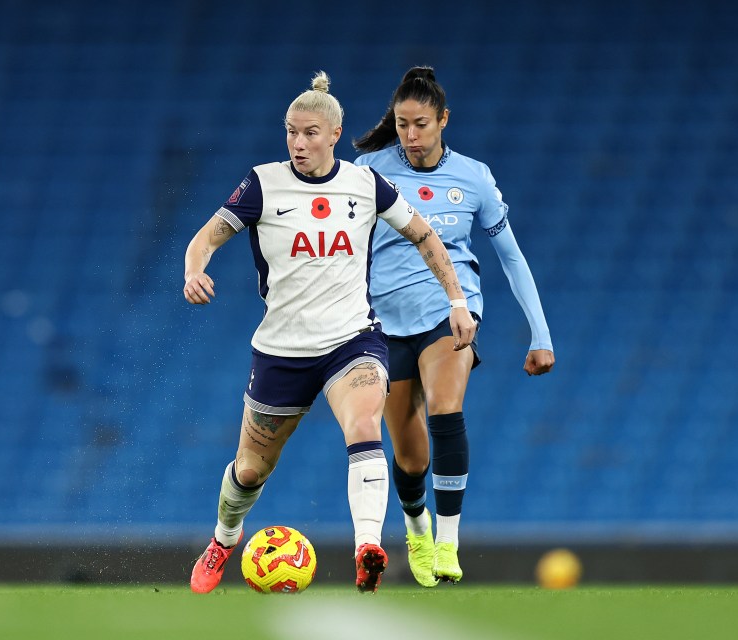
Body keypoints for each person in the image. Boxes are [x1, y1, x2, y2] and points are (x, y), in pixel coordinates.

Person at [184, 71, 477, 594]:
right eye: (291, 132)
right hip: (282, 350)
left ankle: (368, 546)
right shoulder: (262, 183)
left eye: (310, 133)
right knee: (251, 469)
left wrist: (456, 299)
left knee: (365, 424)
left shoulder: (364, 185)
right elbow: (204, 239)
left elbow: (424, 234)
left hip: (352, 340)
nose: (298, 143)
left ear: (335, 134)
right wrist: (194, 270)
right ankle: (224, 539)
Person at [353, 66, 555, 587]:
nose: (411, 136)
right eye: (401, 125)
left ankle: (448, 540)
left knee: (447, 405)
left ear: (443, 119)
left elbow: (510, 257)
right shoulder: (369, 171)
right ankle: (416, 526)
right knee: (409, 451)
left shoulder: (474, 177)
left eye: (421, 124)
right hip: (383, 320)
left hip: (451, 311)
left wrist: (541, 335)